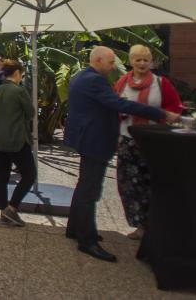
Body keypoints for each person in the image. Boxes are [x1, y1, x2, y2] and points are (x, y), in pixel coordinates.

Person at [64, 46, 180, 262]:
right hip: (95, 139)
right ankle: (87, 240)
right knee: (90, 190)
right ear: (98, 61)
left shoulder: (81, 76)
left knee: (85, 186)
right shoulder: (95, 80)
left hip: (87, 137)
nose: (113, 66)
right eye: (110, 62)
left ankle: (75, 228)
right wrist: (160, 113)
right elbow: (117, 103)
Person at [113, 44, 182, 241]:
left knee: (154, 183)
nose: (142, 63)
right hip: (128, 139)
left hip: (155, 141)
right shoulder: (122, 83)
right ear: (130, 61)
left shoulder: (161, 84)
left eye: (145, 60)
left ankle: (157, 224)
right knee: (130, 185)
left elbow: (174, 108)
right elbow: (113, 106)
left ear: (150, 62)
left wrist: (167, 116)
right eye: (138, 59)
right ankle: (141, 225)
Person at [0, 59, 36, 227]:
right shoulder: (19, 91)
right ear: (17, 73)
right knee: (29, 174)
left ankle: (3, 209)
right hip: (15, 139)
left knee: (2, 175)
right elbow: (30, 113)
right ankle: (12, 207)